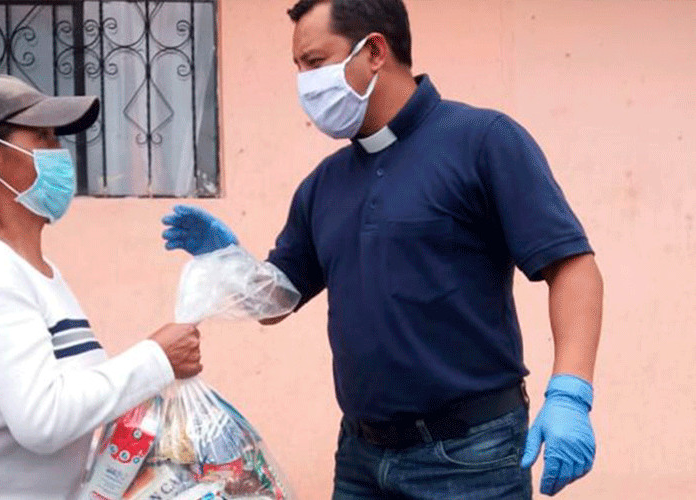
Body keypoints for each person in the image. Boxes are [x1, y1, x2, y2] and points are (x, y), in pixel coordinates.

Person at [161, 1, 603, 499]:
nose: (304, 82)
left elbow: (571, 266)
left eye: (314, 62)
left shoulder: (482, 141)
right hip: (361, 458)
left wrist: (570, 392)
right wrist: (229, 264)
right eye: (298, 67)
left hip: (470, 455)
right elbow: (278, 301)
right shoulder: (323, 185)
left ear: (374, 51)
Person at [0, 74, 202, 500]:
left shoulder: (36, 272)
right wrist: (156, 358)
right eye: (44, 138)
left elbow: (69, 406)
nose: (60, 155)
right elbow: (43, 421)